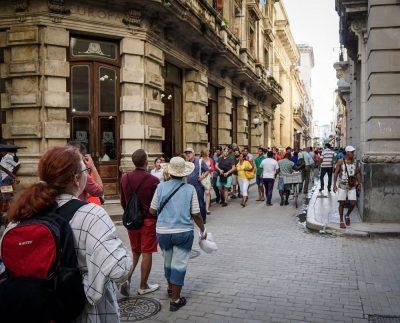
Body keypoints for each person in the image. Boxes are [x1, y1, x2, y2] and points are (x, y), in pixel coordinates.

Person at [3, 146, 131, 322]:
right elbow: (119, 270)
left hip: (35, 312)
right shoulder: (92, 215)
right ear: (77, 179)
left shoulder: (19, 218)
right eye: (86, 171)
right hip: (86, 314)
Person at [149, 157, 206, 312]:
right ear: (184, 173)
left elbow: (152, 210)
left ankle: (170, 288)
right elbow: (196, 214)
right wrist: (203, 229)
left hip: (163, 232)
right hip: (183, 232)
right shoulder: (190, 189)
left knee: (168, 261)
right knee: (179, 265)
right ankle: (175, 300)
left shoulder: (160, 187)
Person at [120, 149, 160, 296]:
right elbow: (156, 204)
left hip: (132, 221)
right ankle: (143, 286)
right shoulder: (153, 180)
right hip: (148, 220)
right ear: (145, 162)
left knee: (135, 252)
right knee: (146, 252)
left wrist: (130, 214)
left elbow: (123, 201)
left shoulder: (125, 178)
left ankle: (127, 279)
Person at [333, 146, 361, 229]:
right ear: (347, 152)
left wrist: (359, 183)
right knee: (341, 203)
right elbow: (336, 173)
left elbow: (358, 173)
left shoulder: (355, 162)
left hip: (352, 186)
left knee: (353, 203)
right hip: (342, 185)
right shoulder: (340, 161)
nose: (353, 153)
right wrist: (334, 185)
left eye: (353, 152)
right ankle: (341, 221)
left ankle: (347, 215)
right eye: (351, 152)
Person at [185, 148, 209, 223]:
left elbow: (207, 170)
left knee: (200, 203)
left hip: (198, 186)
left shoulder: (200, 161)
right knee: (189, 203)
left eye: (189, 152)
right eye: (186, 153)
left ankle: (203, 219)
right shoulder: (186, 163)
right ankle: (192, 218)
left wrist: (202, 176)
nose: (188, 154)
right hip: (188, 186)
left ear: (193, 153)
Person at [199, 148, 214, 215]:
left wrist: (211, 174)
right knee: (200, 192)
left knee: (207, 192)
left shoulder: (210, 159)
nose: (209, 152)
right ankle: (200, 207)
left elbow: (212, 168)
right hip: (201, 176)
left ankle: (206, 208)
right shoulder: (199, 160)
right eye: (207, 151)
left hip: (207, 176)